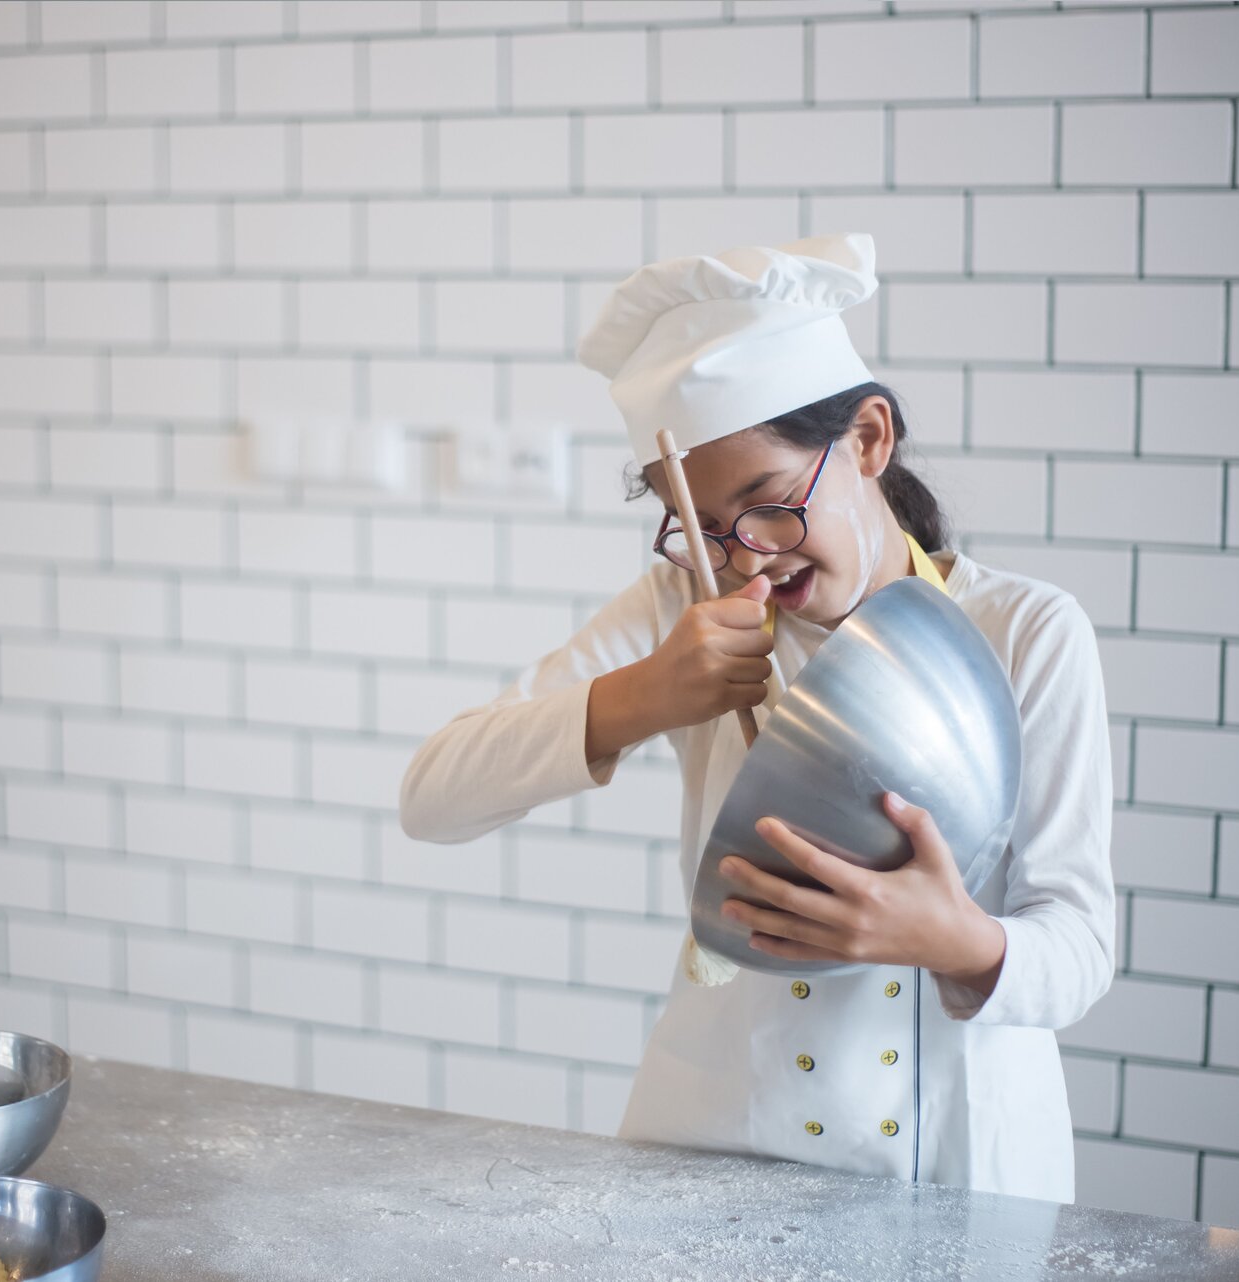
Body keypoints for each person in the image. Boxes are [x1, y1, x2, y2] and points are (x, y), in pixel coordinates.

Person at [399, 233, 1114, 1201]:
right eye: (700, 527)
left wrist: (956, 938)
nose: (745, 559)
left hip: (962, 1162)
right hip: (720, 1149)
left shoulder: (1024, 629)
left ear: (868, 439)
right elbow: (433, 798)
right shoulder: (682, 607)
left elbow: (1078, 945)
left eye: (769, 504)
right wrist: (642, 695)